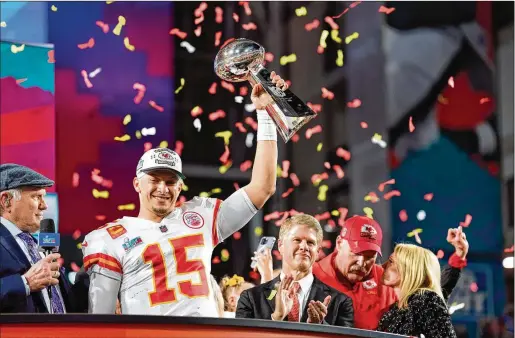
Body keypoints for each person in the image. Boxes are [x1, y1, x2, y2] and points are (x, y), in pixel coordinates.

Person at [82, 71, 288, 315]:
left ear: (180, 187)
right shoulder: (110, 237)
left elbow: (263, 187)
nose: (162, 188)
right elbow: (101, 317)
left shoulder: (200, 216)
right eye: (154, 180)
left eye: (170, 182)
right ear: (137, 184)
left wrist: (265, 115)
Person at [313, 215, 468, 330]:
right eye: (355, 253)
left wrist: (457, 259)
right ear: (339, 243)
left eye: (369, 256)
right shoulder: (311, 278)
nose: (361, 263)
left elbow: (429, 296)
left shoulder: (386, 279)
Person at [236, 214, 354, 327]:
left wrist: (318, 328)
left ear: (318, 251)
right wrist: (276, 318)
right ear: (280, 245)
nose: (304, 247)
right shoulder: (250, 299)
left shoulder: (340, 302)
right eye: (297, 240)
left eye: (310, 242)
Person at [0, 164, 71, 313]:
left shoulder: (36, 243)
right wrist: (26, 283)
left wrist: (91, 274)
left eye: (43, 197)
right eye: (36, 197)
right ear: (6, 201)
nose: (44, 205)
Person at [377, 243, 457, 337]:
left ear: (409, 269)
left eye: (391, 261)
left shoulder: (426, 300)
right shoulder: (396, 308)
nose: (383, 265)